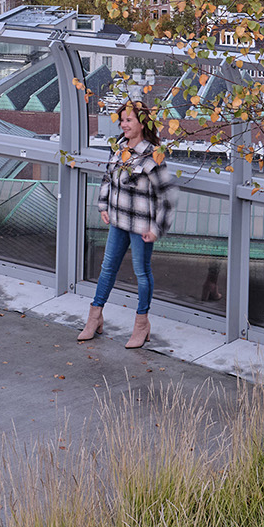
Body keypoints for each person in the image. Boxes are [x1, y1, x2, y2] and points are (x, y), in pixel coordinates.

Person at [78, 98, 171, 350]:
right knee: (107, 268)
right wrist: (103, 205)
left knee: (142, 274)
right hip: (118, 220)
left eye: (128, 120)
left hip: (141, 226)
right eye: (121, 120)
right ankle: (95, 316)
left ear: (142, 123)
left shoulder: (153, 155)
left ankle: (142, 324)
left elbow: (166, 196)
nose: (123, 124)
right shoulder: (119, 148)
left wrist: (157, 228)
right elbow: (108, 178)